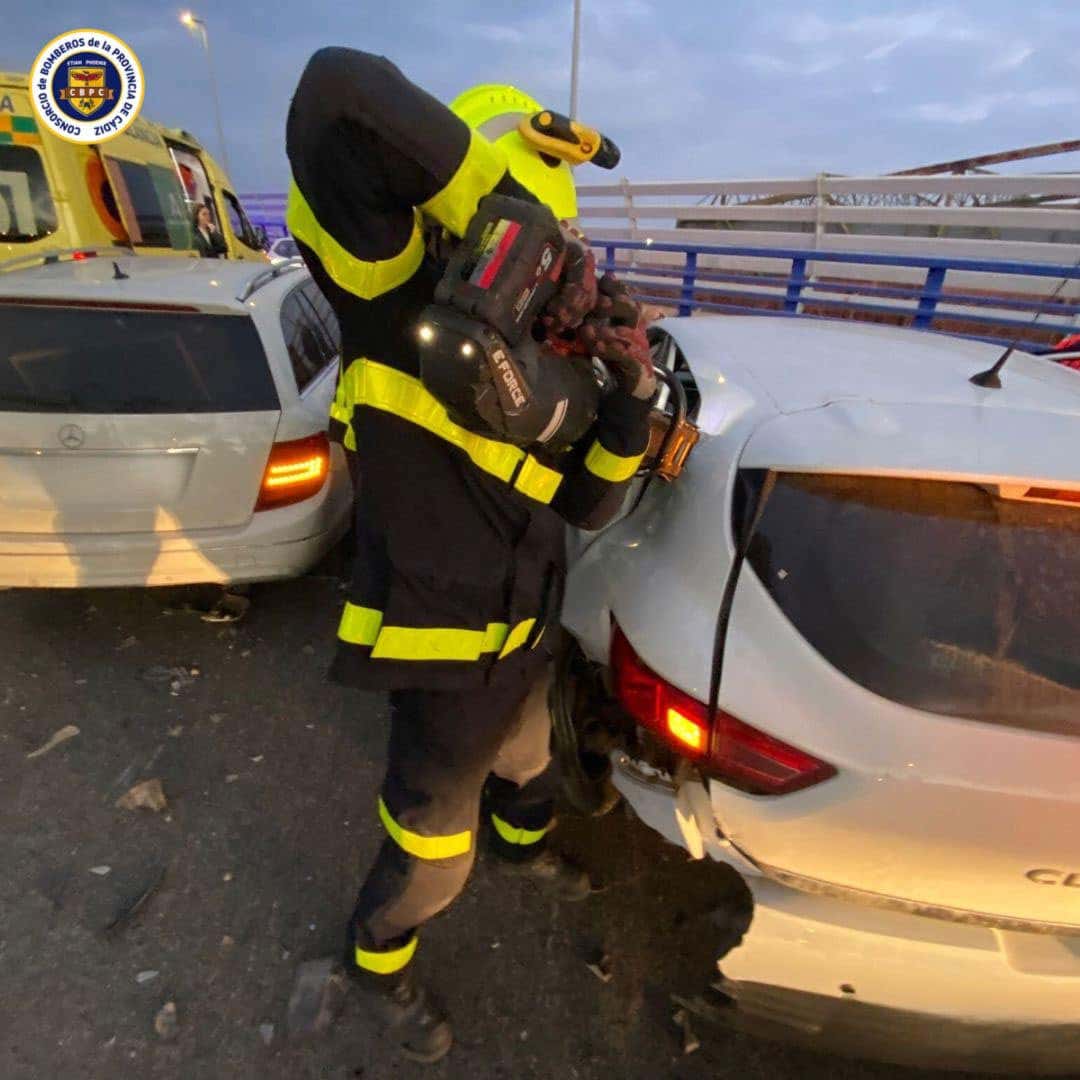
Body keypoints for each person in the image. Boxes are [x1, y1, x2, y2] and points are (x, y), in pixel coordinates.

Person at [285, 48, 656, 1063]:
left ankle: (526, 851)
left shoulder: (558, 360)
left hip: (526, 636)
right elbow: (336, 93)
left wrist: (629, 405)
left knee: (533, 769)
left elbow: (585, 503)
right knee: (430, 851)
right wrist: (500, 211)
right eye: (544, 250)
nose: (556, 281)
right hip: (442, 652)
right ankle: (378, 957)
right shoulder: (395, 295)